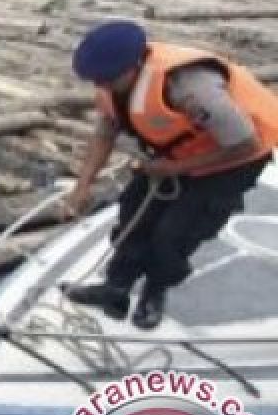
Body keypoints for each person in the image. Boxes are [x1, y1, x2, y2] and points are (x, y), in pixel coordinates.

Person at [63, 21, 278, 328]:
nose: (103, 87)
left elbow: (245, 143)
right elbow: (104, 133)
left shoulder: (191, 88)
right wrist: (82, 186)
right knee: (135, 212)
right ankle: (116, 288)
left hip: (235, 155)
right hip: (179, 151)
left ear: (135, 65)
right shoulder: (111, 86)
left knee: (173, 232)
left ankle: (155, 290)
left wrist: (175, 169)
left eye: (109, 79)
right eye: (98, 81)